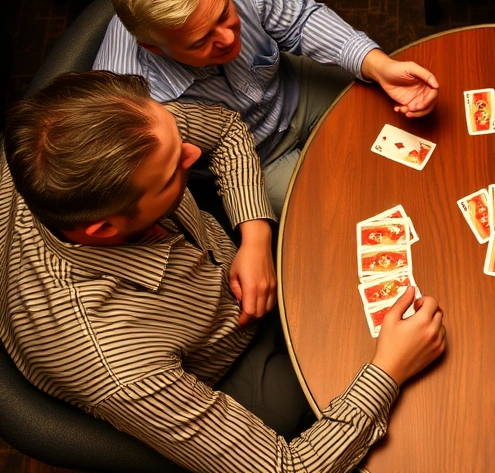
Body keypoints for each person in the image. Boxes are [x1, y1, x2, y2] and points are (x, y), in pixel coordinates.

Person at [0, 71, 447, 472]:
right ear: (102, 228)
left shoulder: (117, 135)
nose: (194, 153)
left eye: (179, 142)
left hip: (233, 258)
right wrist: (388, 369)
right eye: (175, 171)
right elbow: (288, 469)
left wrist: (254, 239)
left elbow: (225, 129)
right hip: (224, 368)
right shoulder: (117, 362)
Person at [94, 0, 440, 214]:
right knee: (354, 213)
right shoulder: (130, 102)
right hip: (256, 162)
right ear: (154, 48)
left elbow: (299, 22)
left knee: (416, 139)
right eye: (201, 41)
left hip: (296, 87)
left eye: (225, 15)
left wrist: (377, 64)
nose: (228, 39)